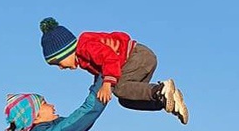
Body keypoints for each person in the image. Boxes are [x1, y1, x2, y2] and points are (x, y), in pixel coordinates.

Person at [39, 17, 189, 124]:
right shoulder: (83, 58)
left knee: (120, 88)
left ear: (66, 51)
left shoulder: (85, 47)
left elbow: (109, 58)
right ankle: (165, 101)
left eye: (58, 62)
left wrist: (107, 84)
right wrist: (97, 87)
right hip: (138, 61)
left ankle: (160, 90)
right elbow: (100, 70)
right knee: (126, 100)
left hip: (136, 57)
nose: (60, 67)